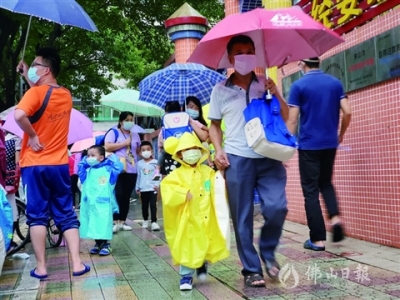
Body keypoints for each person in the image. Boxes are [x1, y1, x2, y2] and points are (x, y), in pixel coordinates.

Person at [208, 35, 288, 287]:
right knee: (241, 217)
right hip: (237, 159)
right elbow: (214, 125)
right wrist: (218, 150)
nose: (246, 56)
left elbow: (285, 116)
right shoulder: (220, 89)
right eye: (240, 52)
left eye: (250, 51)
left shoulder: (265, 83)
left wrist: (275, 94)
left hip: (268, 156)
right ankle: (252, 269)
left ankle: (268, 252)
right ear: (231, 58)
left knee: (277, 207)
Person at [15, 47, 89, 278]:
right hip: (58, 164)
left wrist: (34, 136)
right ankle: (77, 264)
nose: (34, 68)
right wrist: (28, 73)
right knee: (66, 213)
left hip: (34, 163)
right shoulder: (65, 95)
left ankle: (42, 267)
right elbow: (42, 94)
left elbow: (20, 115)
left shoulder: (34, 94)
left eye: (36, 65)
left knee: (37, 215)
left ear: (46, 69)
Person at [286, 57, 352, 251]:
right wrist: (340, 134)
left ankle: (317, 239)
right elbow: (347, 112)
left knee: (310, 191)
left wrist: (285, 146)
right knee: (326, 182)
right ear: (319, 62)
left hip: (309, 145)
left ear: (302, 64)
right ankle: (336, 219)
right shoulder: (335, 83)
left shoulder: (298, 86)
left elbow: (292, 120)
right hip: (329, 144)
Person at [160, 132, 229, 291]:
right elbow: (167, 189)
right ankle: (186, 276)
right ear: (180, 154)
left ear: (200, 150)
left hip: (206, 216)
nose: (191, 152)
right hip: (188, 218)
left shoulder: (207, 171)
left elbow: (216, 186)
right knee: (188, 244)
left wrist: (221, 174)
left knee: (205, 241)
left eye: (194, 148)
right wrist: (182, 194)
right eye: (187, 149)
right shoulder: (176, 174)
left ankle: (201, 264)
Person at [78, 145, 123, 256]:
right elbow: (80, 169)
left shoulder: (108, 170)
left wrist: (113, 158)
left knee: (103, 223)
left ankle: (106, 244)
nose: (90, 157)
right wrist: (84, 160)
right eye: (88, 155)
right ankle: (98, 244)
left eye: (93, 155)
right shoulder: (87, 171)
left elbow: (119, 168)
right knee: (93, 223)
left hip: (103, 204)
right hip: (90, 204)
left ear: (101, 157)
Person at [104, 111, 140, 233]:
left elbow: (138, 150)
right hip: (117, 168)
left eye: (131, 119)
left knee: (126, 196)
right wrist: (123, 144)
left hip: (132, 169)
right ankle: (115, 220)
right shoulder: (114, 132)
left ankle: (122, 221)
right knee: (118, 194)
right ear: (121, 121)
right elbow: (107, 147)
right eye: (127, 120)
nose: (130, 122)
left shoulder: (135, 135)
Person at [135, 141, 160, 231]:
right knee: (144, 206)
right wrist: (137, 187)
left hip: (152, 188)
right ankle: (145, 220)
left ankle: (154, 222)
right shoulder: (139, 164)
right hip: (143, 189)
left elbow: (157, 174)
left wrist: (156, 185)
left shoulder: (156, 162)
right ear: (141, 153)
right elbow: (139, 175)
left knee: (153, 205)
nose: (146, 151)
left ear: (152, 151)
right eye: (143, 150)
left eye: (148, 149)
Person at [4, 131, 21, 251]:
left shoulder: (8, 139)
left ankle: (9, 239)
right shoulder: (15, 139)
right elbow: (17, 161)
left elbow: (16, 161)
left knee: (11, 212)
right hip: (8, 178)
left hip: (6, 178)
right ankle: (9, 239)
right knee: (12, 212)